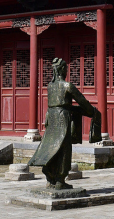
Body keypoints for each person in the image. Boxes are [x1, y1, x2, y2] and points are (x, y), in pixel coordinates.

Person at [30, 57, 101, 190]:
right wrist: (92, 112)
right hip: (63, 119)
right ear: (62, 69)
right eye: (66, 69)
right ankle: (59, 180)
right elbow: (82, 101)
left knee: (50, 146)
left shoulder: (50, 86)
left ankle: (50, 177)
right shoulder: (67, 86)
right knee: (64, 149)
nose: (67, 71)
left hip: (52, 117)